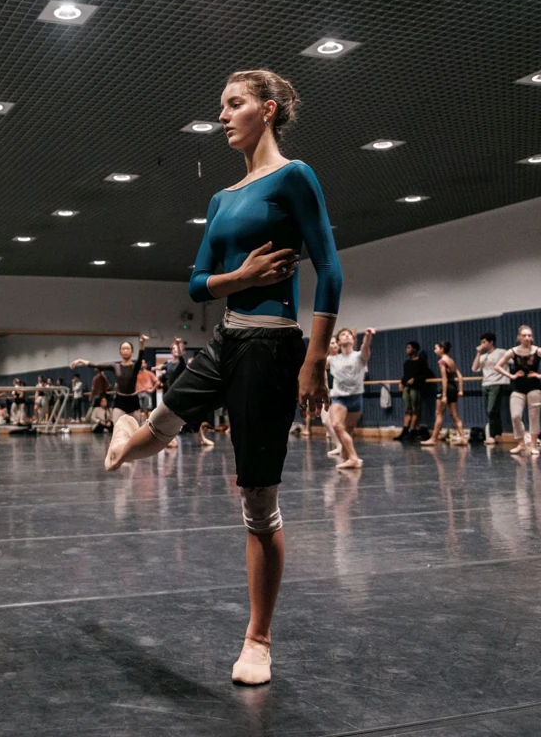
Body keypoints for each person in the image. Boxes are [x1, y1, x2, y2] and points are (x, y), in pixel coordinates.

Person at [101, 69, 341, 686]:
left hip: (273, 347)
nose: (223, 116)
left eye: (233, 105)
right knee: (156, 428)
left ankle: (258, 639)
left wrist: (315, 360)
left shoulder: (295, 177)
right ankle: (126, 428)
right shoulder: (220, 199)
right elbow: (197, 281)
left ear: (268, 110)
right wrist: (243, 279)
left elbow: (330, 271)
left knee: (258, 500)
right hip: (228, 336)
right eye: (221, 106)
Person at [494, 325, 541, 457]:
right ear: (519, 337)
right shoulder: (512, 351)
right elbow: (497, 366)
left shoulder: (538, 351)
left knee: (534, 416)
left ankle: (533, 445)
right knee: (515, 415)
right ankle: (521, 443)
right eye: (524, 335)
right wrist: (511, 376)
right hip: (518, 387)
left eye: (529, 335)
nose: (527, 338)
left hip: (534, 387)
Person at [72, 334, 149, 425]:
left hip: (133, 401)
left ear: (132, 352)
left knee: (136, 429)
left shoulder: (135, 367)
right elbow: (97, 365)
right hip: (120, 400)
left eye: (127, 348)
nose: (125, 351)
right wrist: (80, 360)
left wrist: (142, 343)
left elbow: (140, 357)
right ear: (120, 352)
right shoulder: (115, 366)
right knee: (117, 427)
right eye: (123, 349)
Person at [328, 327, 375, 469]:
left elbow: (365, 346)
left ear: (353, 340)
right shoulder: (332, 359)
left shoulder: (360, 356)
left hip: (356, 397)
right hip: (339, 397)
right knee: (336, 425)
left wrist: (367, 335)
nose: (347, 336)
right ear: (339, 341)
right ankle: (354, 458)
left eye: (349, 334)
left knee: (348, 429)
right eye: (343, 334)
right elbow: (316, 366)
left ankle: (346, 454)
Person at [420, 341, 466, 446]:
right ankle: (463, 438)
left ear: (442, 349)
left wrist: (444, 395)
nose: (434, 350)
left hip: (447, 389)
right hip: (453, 388)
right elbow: (460, 376)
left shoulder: (442, 361)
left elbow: (444, 379)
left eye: (436, 348)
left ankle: (433, 439)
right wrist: (460, 390)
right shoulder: (451, 361)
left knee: (439, 414)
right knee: (454, 415)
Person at [472, 332, 508, 445]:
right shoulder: (483, 356)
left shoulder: (501, 352)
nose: (482, 344)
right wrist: (478, 353)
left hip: (497, 383)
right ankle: (498, 434)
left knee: (491, 409)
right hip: (485, 384)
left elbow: (513, 360)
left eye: (484, 342)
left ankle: (492, 435)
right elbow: (474, 368)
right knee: (493, 411)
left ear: (491, 342)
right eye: (481, 342)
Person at [396, 341, 426, 441]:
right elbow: (405, 375)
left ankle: (412, 431)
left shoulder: (421, 362)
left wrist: (415, 379)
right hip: (406, 387)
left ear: (414, 349)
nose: (407, 349)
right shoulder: (407, 363)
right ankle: (405, 431)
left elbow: (424, 375)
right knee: (407, 409)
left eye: (409, 347)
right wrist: (401, 382)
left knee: (415, 409)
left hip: (415, 388)